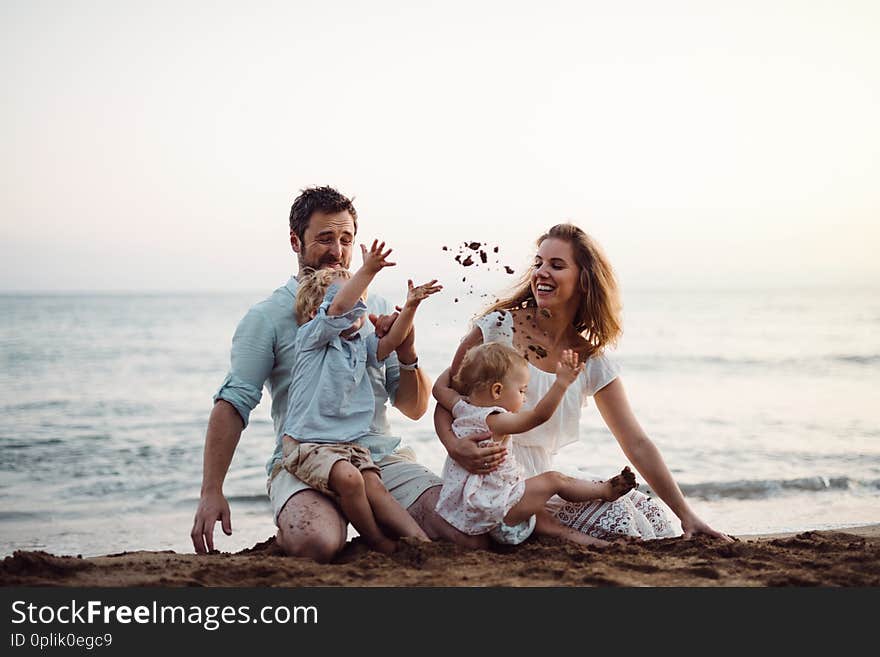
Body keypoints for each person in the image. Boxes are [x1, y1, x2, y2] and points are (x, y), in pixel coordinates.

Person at [191, 186, 488, 561]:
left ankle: (373, 534)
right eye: (324, 239)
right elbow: (233, 403)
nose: (337, 251)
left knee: (464, 533)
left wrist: (408, 351)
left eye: (346, 239)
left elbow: (413, 408)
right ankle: (345, 526)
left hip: (376, 458)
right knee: (314, 543)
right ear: (295, 241)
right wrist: (211, 491)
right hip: (306, 457)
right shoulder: (266, 317)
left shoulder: (374, 307)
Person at [434, 223, 731, 542]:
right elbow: (448, 401)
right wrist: (455, 446)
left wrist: (687, 515)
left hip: (545, 481)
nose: (541, 273)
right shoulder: (497, 329)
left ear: (584, 281)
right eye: (539, 263)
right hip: (486, 484)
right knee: (617, 519)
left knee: (645, 513)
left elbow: (637, 443)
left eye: (556, 265)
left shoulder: (589, 359)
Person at [277, 240, 440, 553]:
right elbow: (338, 310)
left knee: (375, 487)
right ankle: (375, 540)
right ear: (316, 313)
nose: (357, 310)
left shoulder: (359, 346)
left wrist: (411, 307)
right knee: (351, 480)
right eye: (349, 302)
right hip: (308, 444)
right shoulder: (312, 338)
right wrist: (367, 270)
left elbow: (391, 341)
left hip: (350, 443)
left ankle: (423, 544)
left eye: (362, 305)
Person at [433, 341, 637, 547]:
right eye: (522, 391)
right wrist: (562, 383)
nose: (524, 397)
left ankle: (604, 545)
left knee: (550, 526)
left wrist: (455, 370)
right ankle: (605, 491)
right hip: (499, 510)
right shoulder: (495, 420)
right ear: (497, 390)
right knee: (555, 479)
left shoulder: (460, 406)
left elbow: (438, 389)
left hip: (477, 510)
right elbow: (539, 416)